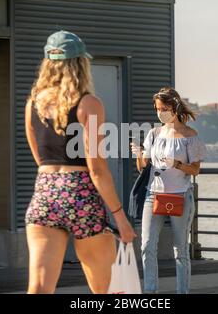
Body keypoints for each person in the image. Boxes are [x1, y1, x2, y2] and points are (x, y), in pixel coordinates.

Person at [24, 30, 136, 294]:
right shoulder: (89, 104)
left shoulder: (34, 105)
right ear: (81, 63)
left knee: (39, 287)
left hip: (45, 193)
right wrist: (120, 218)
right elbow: (97, 169)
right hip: (80, 194)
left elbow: (40, 159)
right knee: (106, 290)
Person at [130, 87, 207, 294]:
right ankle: (150, 291)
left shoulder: (190, 135)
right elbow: (142, 168)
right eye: (157, 109)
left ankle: (182, 291)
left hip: (180, 195)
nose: (160, 112)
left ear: (175, 108)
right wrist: (139, 154)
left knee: (180, 250)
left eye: (164, 108)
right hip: (152, 195)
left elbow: (196, 170)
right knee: (146, 245)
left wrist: (177, 164)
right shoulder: (154, 133)